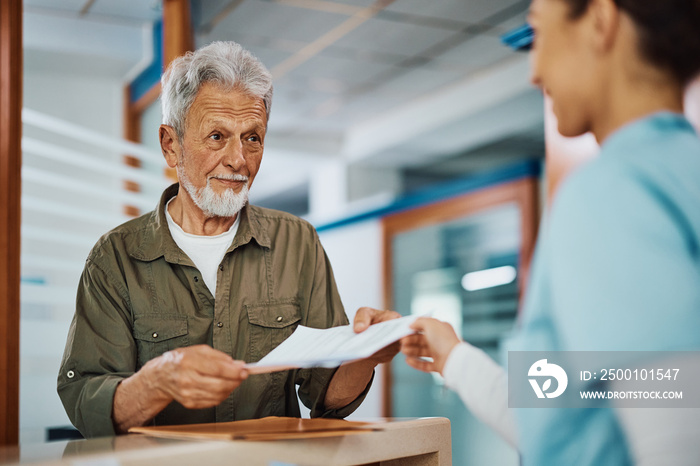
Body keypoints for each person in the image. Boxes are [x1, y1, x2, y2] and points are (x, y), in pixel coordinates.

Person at [401, 0, 700, 464]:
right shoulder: (682, 174)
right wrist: (453, 356)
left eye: (539, 33)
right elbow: (565, 414)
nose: (534, 73)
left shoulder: (612, 189)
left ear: (600, 21)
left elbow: (676, 441)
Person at [58, 41, 399, 438]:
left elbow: (325, 398)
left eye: (252, 137)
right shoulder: (115, 257)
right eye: (218, 136)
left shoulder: (298, 241)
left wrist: (365, 355)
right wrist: (158, 381)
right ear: (172, 146)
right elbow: (85, 399)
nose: (239, 159)